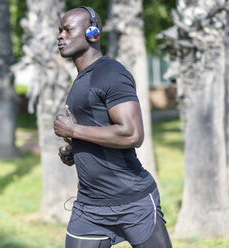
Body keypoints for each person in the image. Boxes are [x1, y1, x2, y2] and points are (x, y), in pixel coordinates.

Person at [53, 6, 172, 248]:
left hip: (132, 202)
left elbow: (132, 133)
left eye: (68, 30)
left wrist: (74, 131)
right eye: (59, 31)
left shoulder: (111, 73)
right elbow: (101, 128)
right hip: (89, 207)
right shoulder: (84, 77)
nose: (60, 36)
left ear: (92, 33)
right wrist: (77, 149)